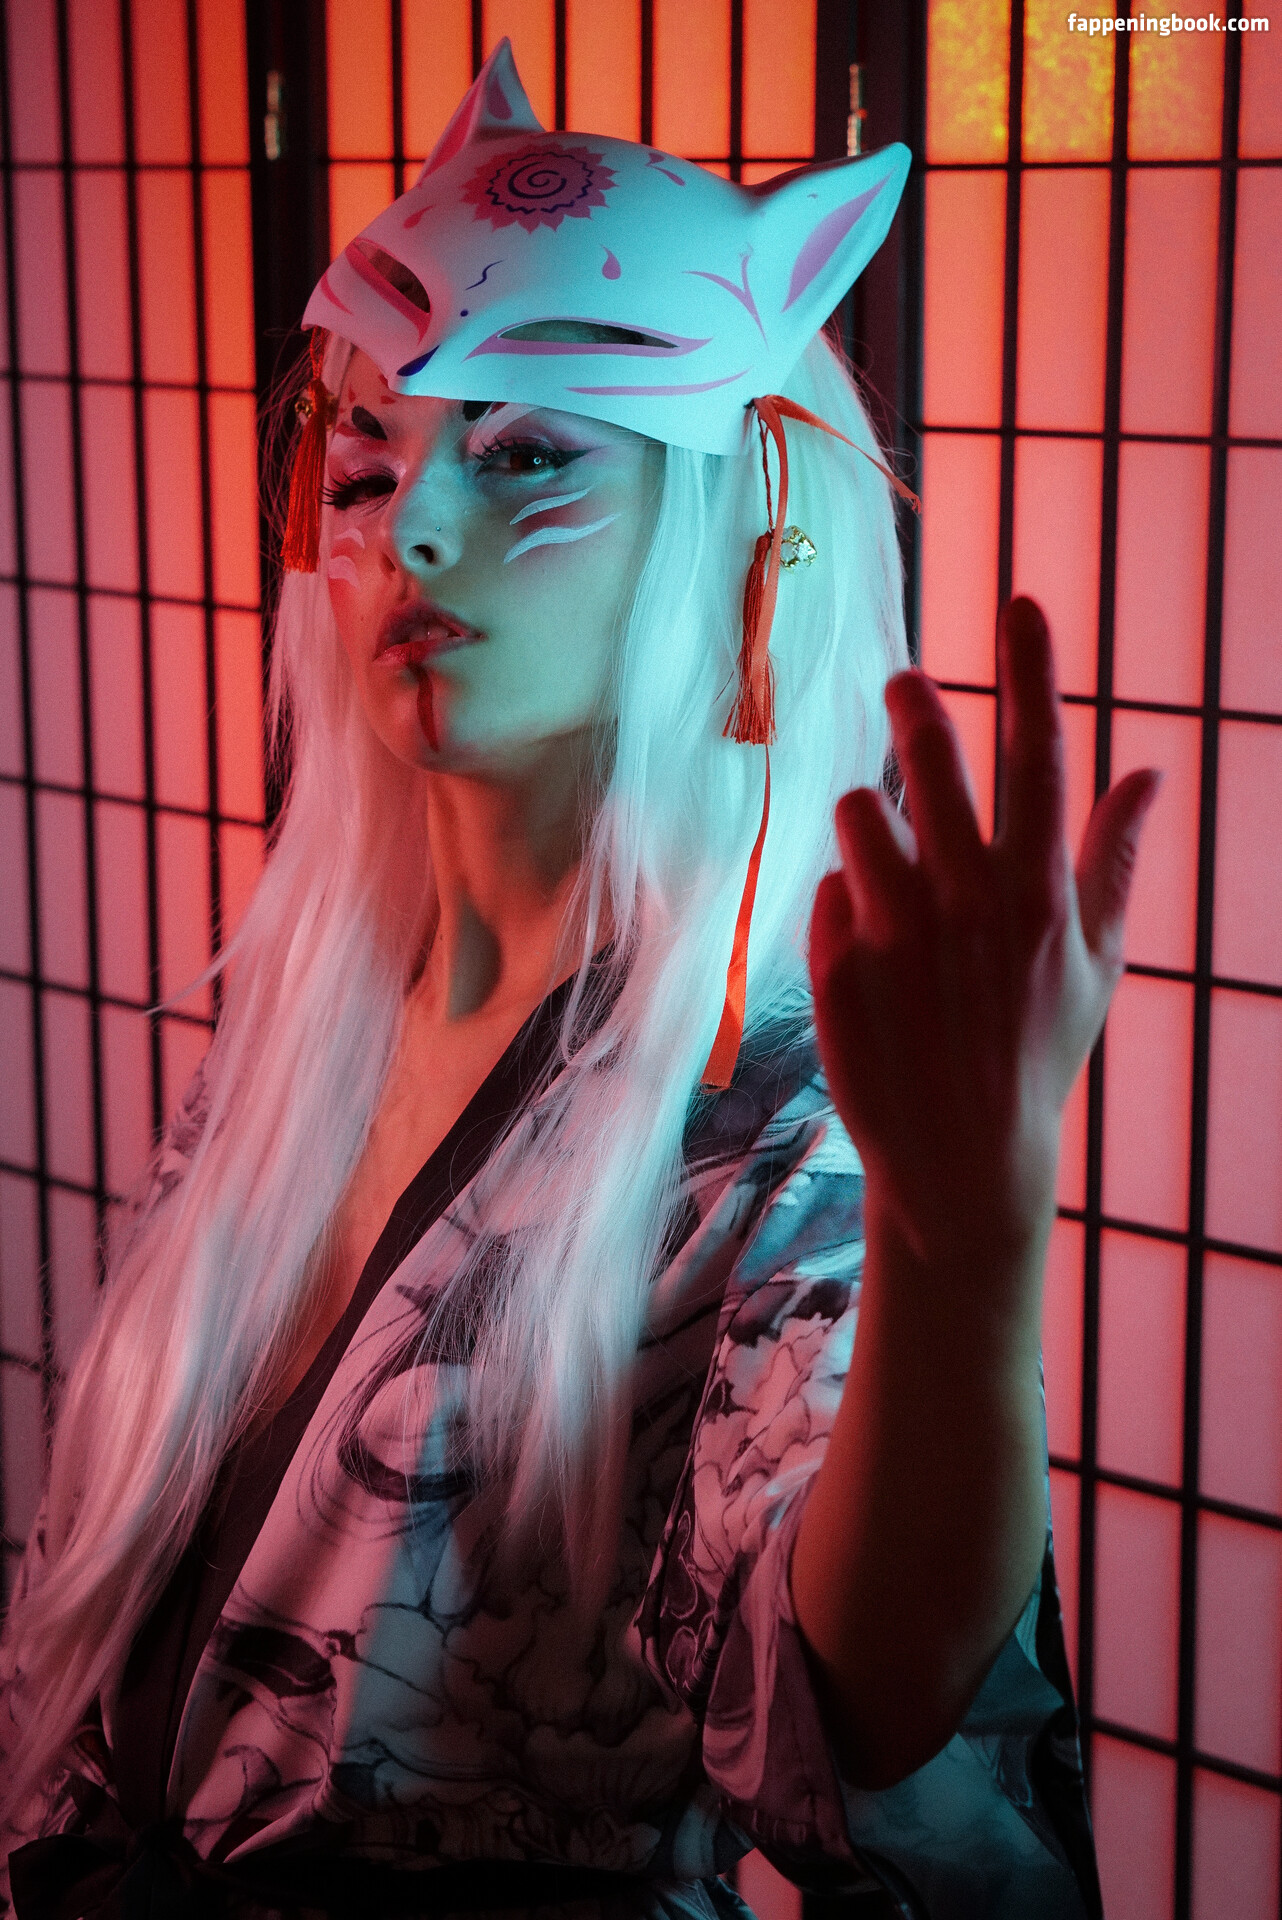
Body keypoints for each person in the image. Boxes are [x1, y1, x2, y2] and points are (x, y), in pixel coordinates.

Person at [0, 42, 1156, 1920]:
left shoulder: (768, 1096)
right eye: (363, 460)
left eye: (527, 454)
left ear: (742, 525)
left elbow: (854, 1709)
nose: (408, 531)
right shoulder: (314, 1028)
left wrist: (961, 1252)